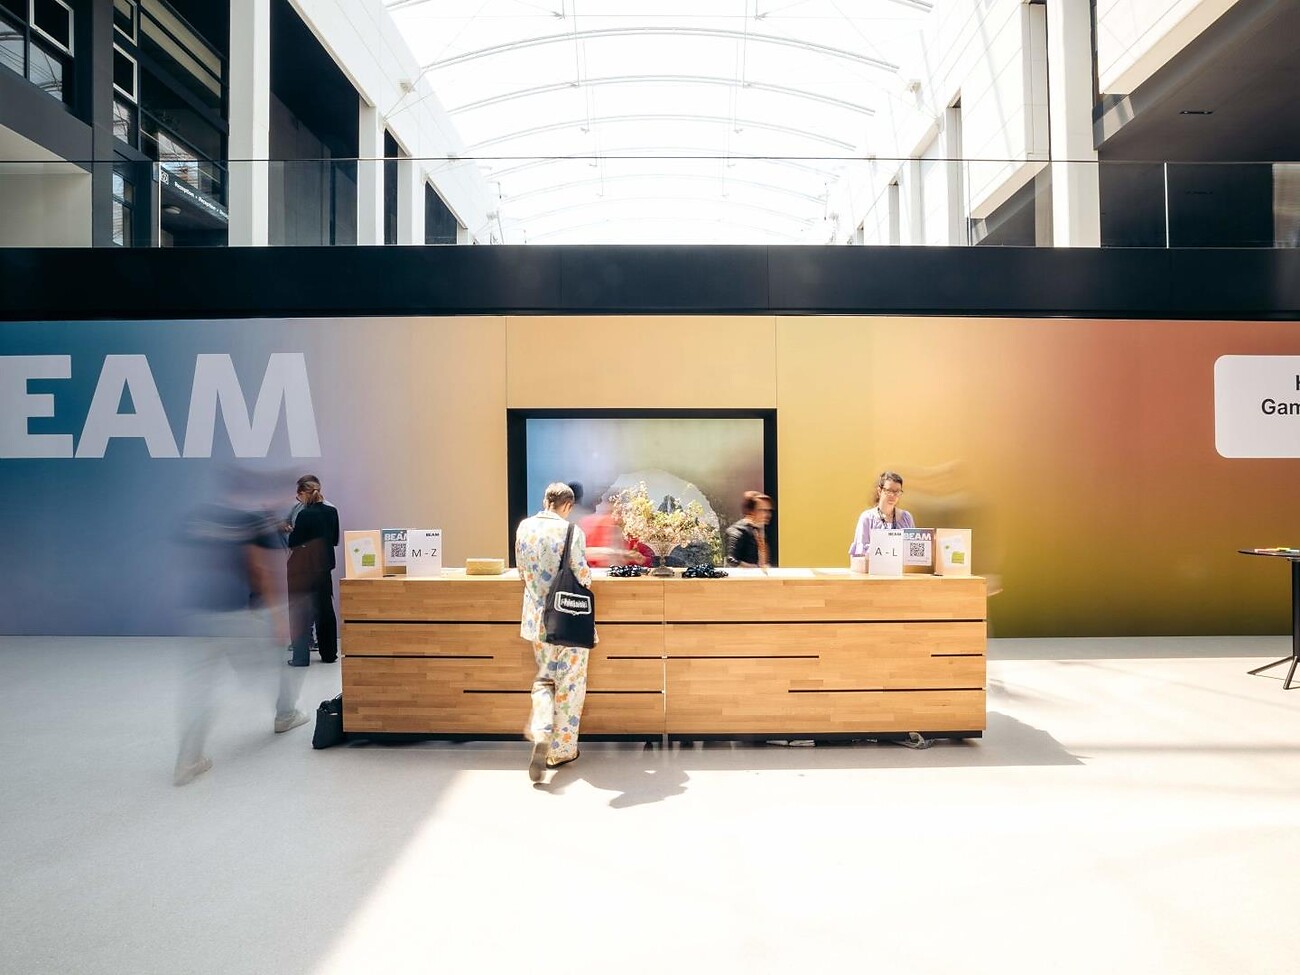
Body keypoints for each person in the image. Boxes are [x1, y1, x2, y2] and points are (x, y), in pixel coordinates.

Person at [175, 475, 307, 786]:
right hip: (235, 615)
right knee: (276, 661)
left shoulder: (201, 517)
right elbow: (258, 568)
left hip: (201, 614)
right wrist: (278, 617)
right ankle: (285, 714)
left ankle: (187, 761)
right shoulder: (246, 521)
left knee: (200, 687)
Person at [515, 482, 596, 782]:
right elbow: (583, 576)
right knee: (570, 683)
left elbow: (522, 572)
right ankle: (561, 750)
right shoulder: (572, 531)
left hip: (537, 621)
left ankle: (541, 731)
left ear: (545, 501)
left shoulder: (524, 528)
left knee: (544, 680)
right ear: (568, 506)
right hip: (568, 619)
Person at [286, 475, 340, 666]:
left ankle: (301, 657)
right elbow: (334, 539)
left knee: (299, 612)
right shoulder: (332, 511)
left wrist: (291, 531)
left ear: (303, 494)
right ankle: (329, 654)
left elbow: (294, 542)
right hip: (324, 567)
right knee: (325, 610)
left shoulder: (304, 514)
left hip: (301, 568)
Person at [849, 471, 914, 558]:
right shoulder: (867, 518)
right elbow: (860, 554)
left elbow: (912, 551)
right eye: (889, 491)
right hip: (874, 567)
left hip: (901, 567)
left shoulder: (906, 517)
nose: (893, 495)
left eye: (897, 492)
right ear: (880, 491)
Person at [725, 491, 773, 568]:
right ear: (751, 511)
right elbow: (731, 560)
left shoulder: (759, 530)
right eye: (761, 510)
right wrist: (754, 569)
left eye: (768, 510)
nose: (767, 515)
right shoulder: (738, 530)